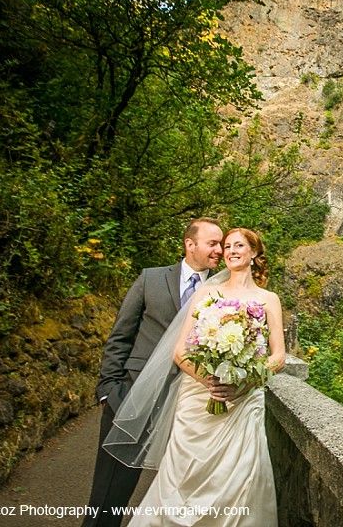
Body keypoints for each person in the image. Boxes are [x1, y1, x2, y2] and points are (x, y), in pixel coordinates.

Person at [104, 228, 285, 527]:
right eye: (227, 246)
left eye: (239, 245)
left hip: (243, 401)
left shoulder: (269, 299)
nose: (231, 250)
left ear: (254, 252)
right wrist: (211, 383)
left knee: (238, 476)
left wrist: (245, 383)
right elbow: (180, 352)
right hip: (198, 399)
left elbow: (277, 356)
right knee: (181, 475)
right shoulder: (206, 293)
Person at [82, 218, 232, 527]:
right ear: (190, 244)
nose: (220, 250)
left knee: (178, 490)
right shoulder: (150, 279)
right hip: (133, 393)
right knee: (110, 489)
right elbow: (121, 334)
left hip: (188, 403)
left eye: (221, 244)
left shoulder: (223, 291)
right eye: (213, 243)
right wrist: (109, 388)